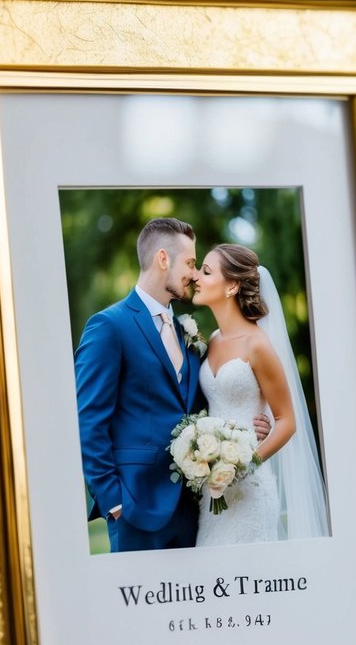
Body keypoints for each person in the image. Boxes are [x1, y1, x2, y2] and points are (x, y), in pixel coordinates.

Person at [74, 217, 206, 552]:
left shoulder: (185, 330)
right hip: (135, 507)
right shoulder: (108, 326)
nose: (194, 274)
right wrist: (113, 501)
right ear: (163, 259)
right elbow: (88, 419)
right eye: (190, 263)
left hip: (192, 509)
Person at [192, 244, 329, 545]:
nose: (196, 278)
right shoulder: (213, 340)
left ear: (231, 287)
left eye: (206, 271)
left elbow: (287, 421)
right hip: (212, 491)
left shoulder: (257, 344)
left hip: (249, 490)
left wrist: (243, 465)